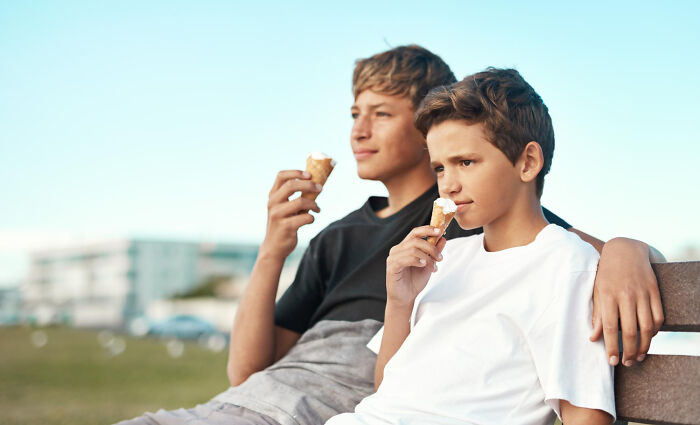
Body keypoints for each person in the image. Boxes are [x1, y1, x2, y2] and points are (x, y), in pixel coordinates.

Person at [117, 45, 662, 425]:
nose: (358, 130)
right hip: (286, 398)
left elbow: (556, 247)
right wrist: (274, 249)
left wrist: (626, 248)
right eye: (355, 113)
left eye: (380, 113)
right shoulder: (353, 239)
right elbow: (249, 372)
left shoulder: (459, 220)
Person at [327, 67, 615, 425]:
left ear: (527, 162)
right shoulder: (448, 259)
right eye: (440, 168)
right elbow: (389, 393)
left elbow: (586, 415)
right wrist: (400, 302)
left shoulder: (563, 263)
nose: (447, 185)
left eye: (465, 162)